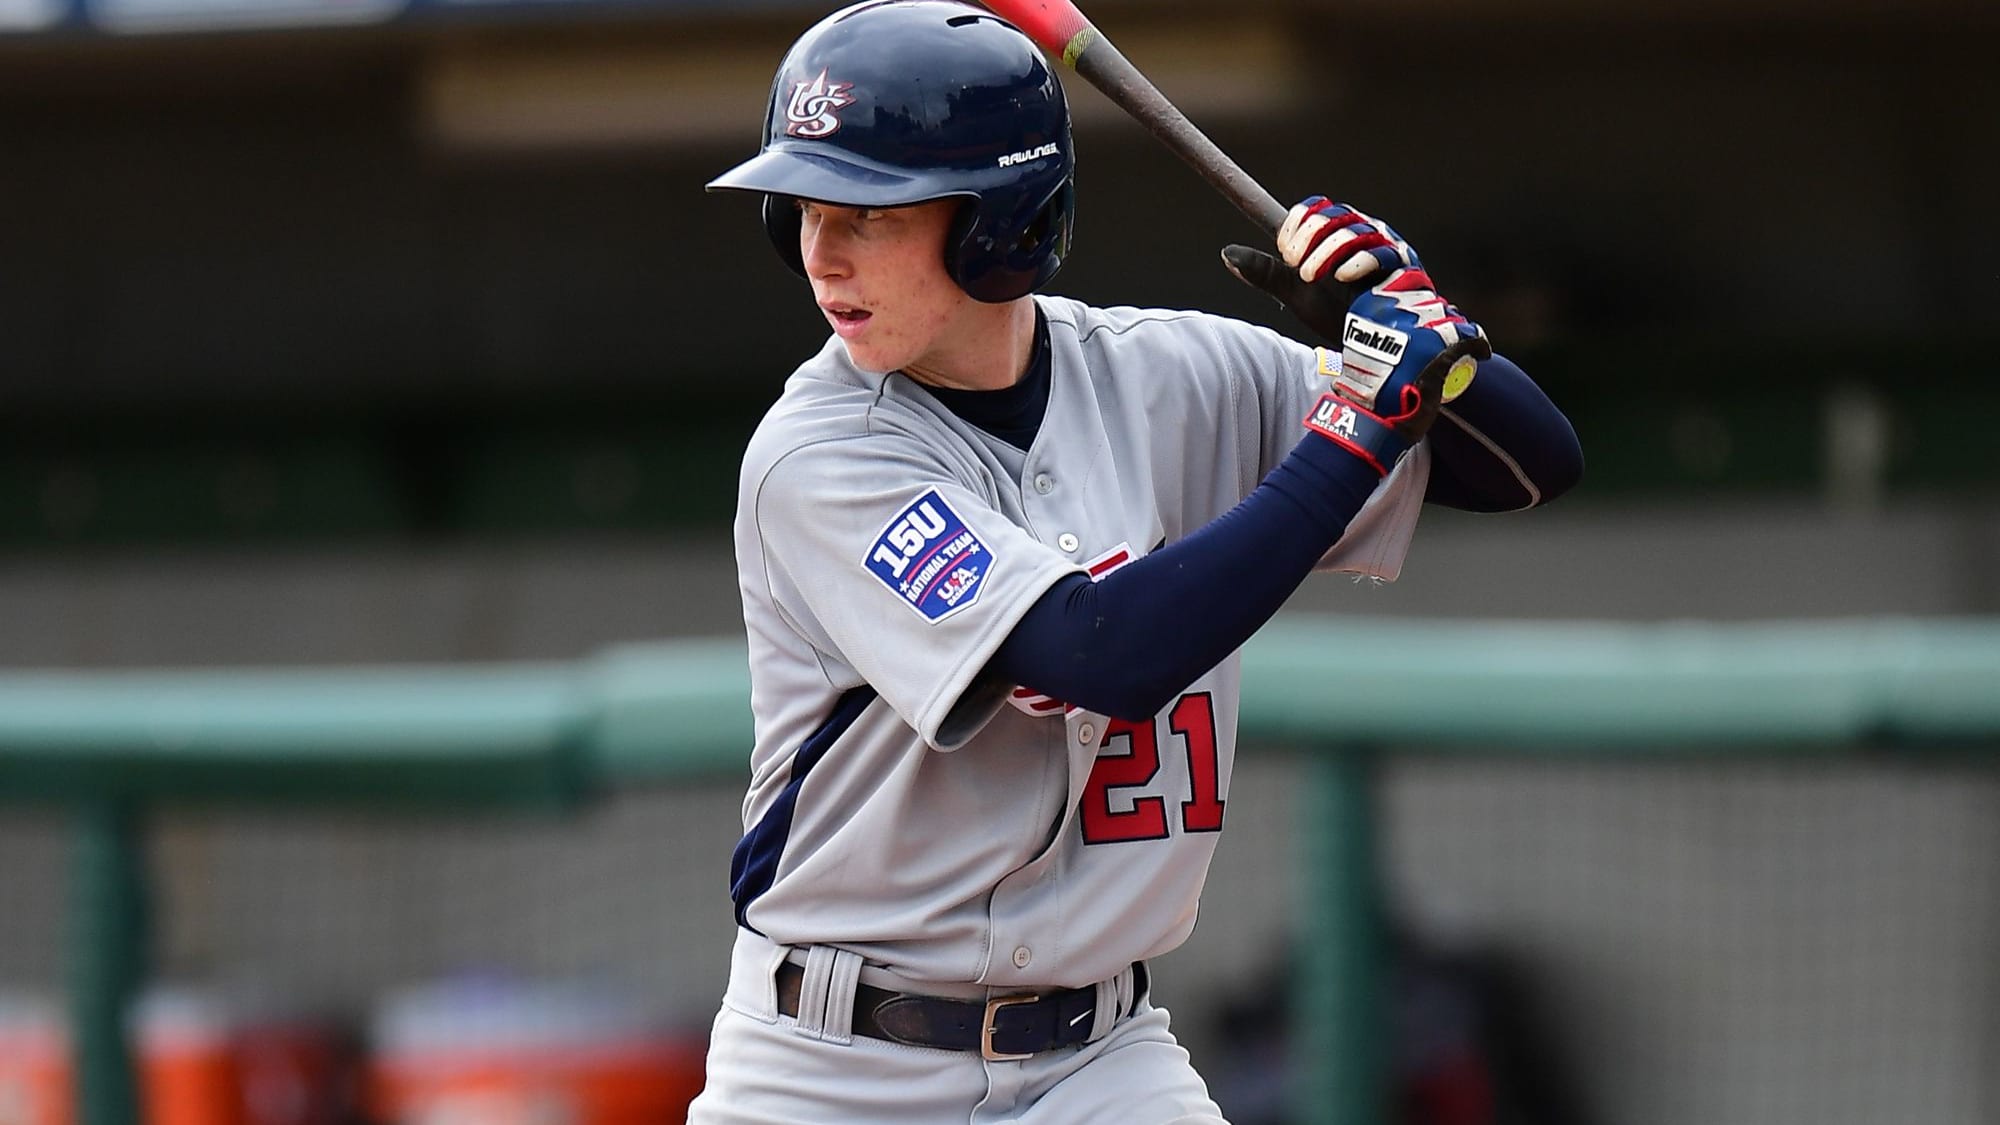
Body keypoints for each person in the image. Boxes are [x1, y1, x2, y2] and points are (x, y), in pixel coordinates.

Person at [692, 2, 1582, 1121]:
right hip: (834, 1067)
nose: (820, 253)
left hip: (1097, 1059)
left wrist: (1398, 310)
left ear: (996, 222)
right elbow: (1097, 652)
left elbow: (1526, 465)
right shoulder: (816, 452)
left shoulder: (1165, 372)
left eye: (867, 212)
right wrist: (1355, 419)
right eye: (806, 208)